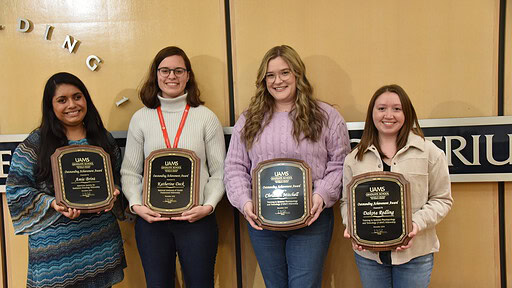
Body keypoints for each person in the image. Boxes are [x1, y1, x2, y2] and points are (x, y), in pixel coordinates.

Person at [224, 45, 350, 288]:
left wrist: (321, 195)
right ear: (263, 80)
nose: (277, 81)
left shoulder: (326, 116)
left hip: (312, 220)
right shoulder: (249, 118)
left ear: (297, 75)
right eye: (270, 75)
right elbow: (235, 166)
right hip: (262, 222)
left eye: (284, 73)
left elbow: (340, 164)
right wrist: (245, 201)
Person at [6, 72, 126, 288]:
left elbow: (117, 176)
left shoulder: (102, 138)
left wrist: (115, 190)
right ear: (50, 106)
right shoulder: (35, 144)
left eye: (77, 97)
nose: (72, 104)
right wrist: (52, 203)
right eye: (62, 100)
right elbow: (16, 189)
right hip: (57, 252)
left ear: (86, 99)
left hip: (100, 241)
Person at [121, 46, 225, 288]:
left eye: (179, 70)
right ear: (155, 74)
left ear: (188, 75)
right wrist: (137, 205)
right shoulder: (141, 118)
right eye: (165, 70)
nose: (172, 76)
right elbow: (130, 172)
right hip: (152, 222)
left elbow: (220, 172)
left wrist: (207, 207)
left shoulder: (206, 117)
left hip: (196, 221)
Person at [341, 84, 453, 288]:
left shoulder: (429, 152)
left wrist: (415, 224)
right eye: (381, 108)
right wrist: (352, 226)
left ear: (407, 113)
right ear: (372, 113)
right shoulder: (354, 158)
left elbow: (442, 199)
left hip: (415, 255)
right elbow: (347, 201)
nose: (388, 115)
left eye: (397, 109)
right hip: (369, 256)